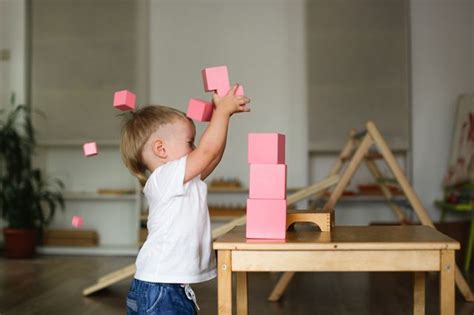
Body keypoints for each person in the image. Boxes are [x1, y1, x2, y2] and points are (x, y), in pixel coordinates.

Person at [120, 84, 250, 314]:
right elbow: (207, 152)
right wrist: (221, 112)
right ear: (161, 149)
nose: (196, 148)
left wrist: (225, 117)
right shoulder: (165, 177)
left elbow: (212, 157)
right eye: (190, 142)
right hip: (160, 288)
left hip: (165, 286)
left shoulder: (179, 179)